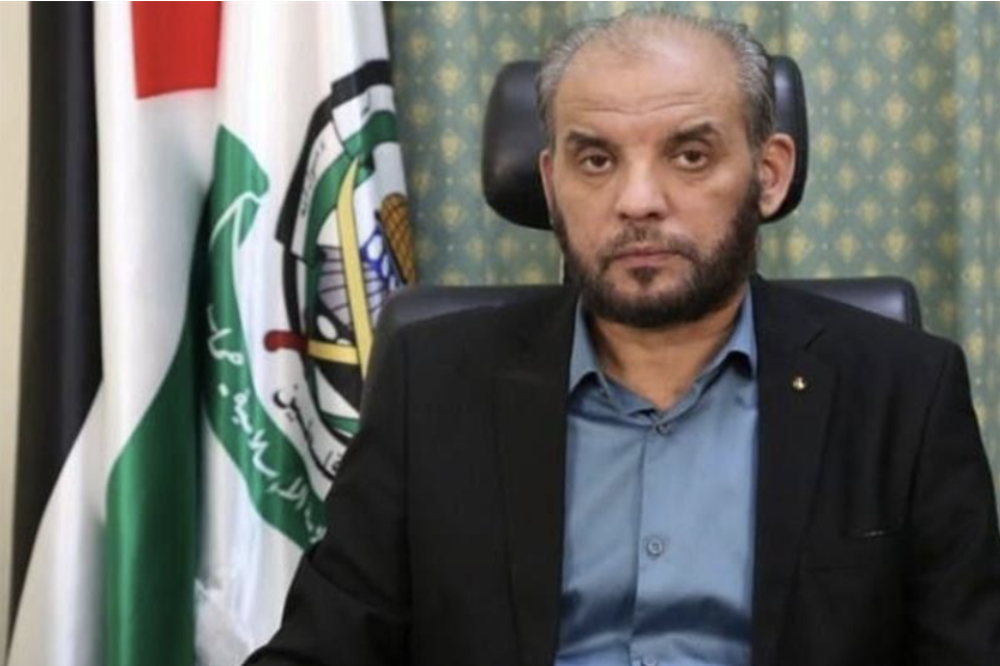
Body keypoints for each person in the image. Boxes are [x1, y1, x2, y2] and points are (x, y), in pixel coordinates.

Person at [246, 11, 1000, 666]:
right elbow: (323, 647)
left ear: (768, 175)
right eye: (597, 160)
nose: (638, 201)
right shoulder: (432, 383)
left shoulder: (903, 391)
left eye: (690, 155)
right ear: (552, 185)